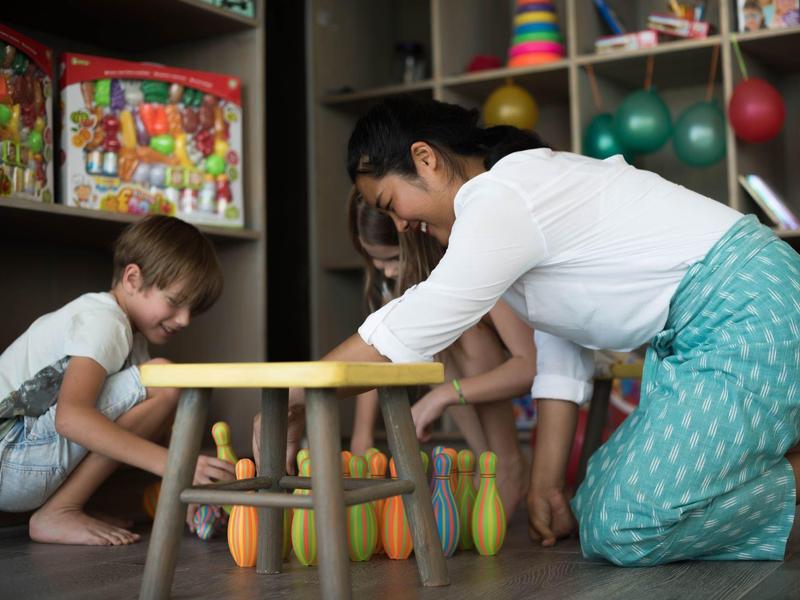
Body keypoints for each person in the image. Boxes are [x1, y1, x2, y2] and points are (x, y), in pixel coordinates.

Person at [0, 215, 235, 546]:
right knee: (164, 381)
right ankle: (60, 510)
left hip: (22, 464)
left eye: (193, 310)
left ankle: (67, 507)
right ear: (132, 278)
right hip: (10, 457)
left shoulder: (130, 339)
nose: (184, 319)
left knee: (161, 389)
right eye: (175, 302)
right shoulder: (104, 321)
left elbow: (153, 425)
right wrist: (179, 466)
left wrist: (190, 486)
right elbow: (72, 417)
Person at [348, 189, 536, 514]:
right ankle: (486, 464)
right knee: (421, 337)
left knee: (460, 334)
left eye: (393, 259)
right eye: (374, 261)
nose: (387, 272)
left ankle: (505, 464)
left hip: (541, 363)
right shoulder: (388, 282)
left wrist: (443, 395)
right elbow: (375, 349)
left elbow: (529, 367)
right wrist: (362, 436)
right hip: (483, 374)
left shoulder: (476, 269)